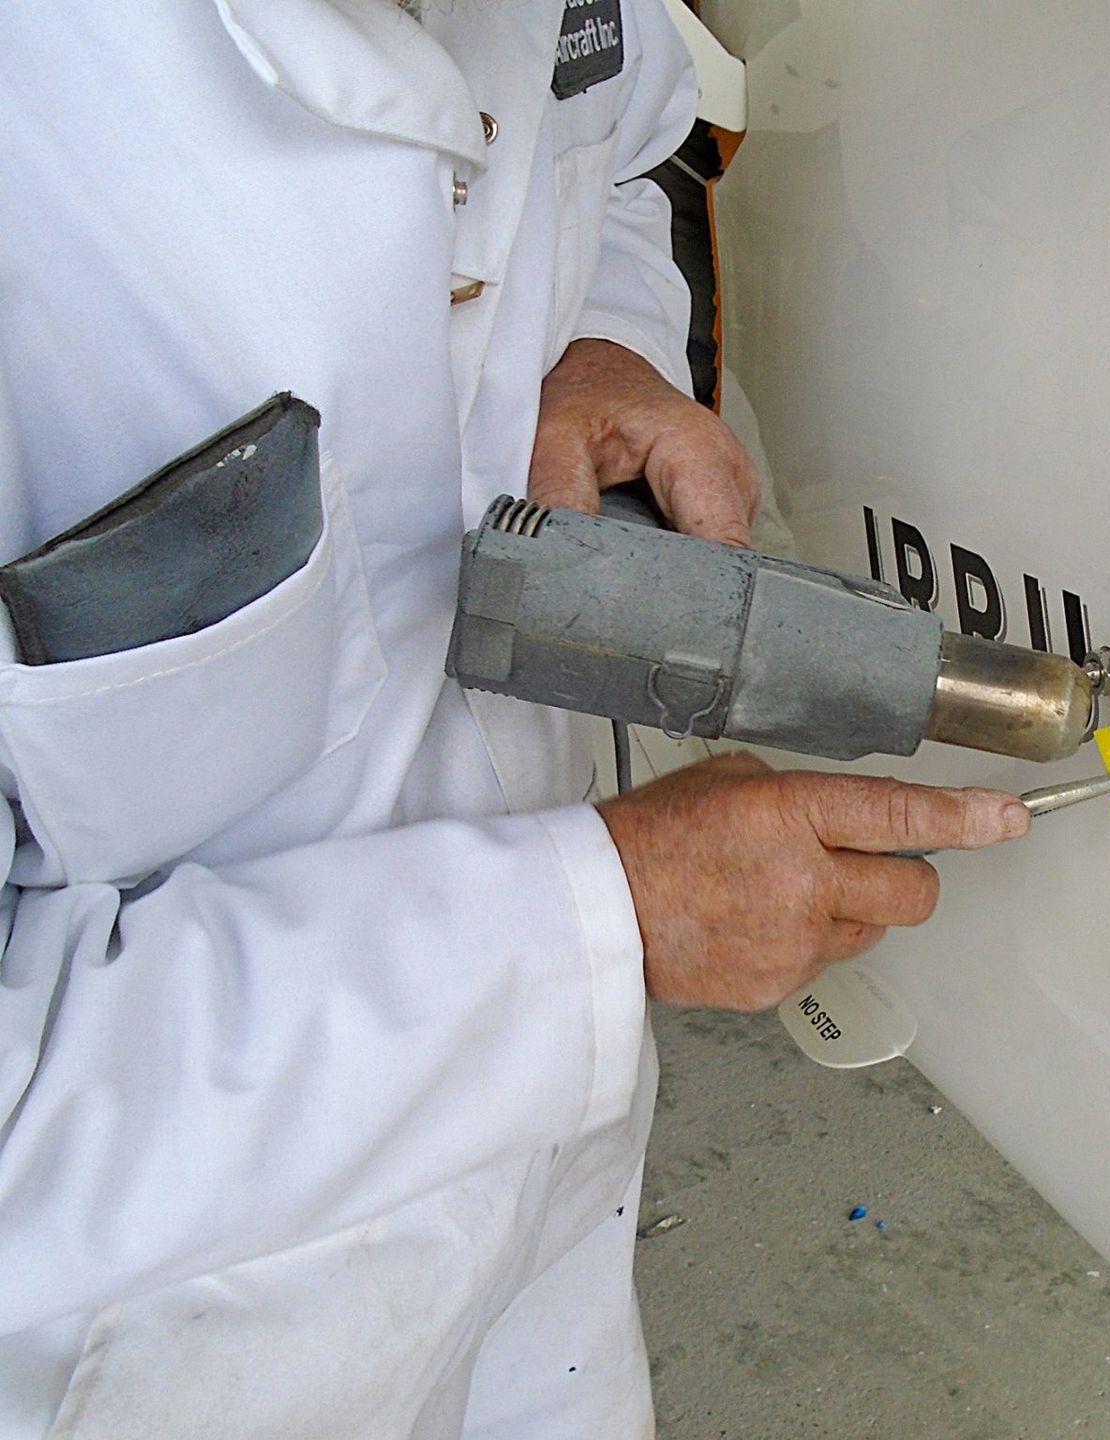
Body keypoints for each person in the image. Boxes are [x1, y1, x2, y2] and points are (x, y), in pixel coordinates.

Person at [0, 5, 1027, 1436]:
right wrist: (594, 927)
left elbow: (630, 147)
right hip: (161, 1346)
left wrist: (596, 340)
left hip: (541, 1246)